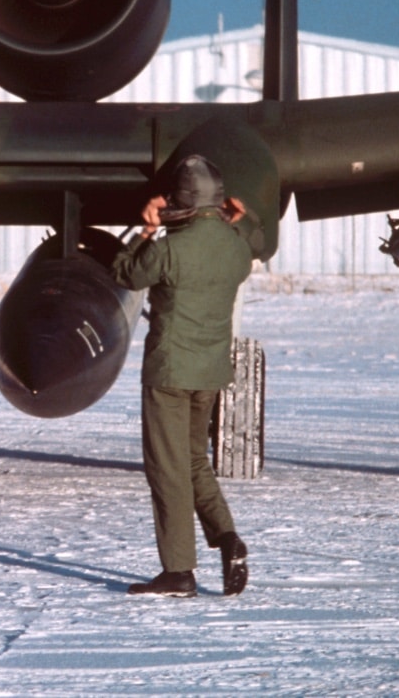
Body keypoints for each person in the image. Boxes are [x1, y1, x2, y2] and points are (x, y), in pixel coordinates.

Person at [111, 155, 255, 598]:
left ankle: (178, 571)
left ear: (180, 200)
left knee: (167, 471)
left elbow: (126, 273)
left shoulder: (169, 248)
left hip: (169, 372)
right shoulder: (237, 247)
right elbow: (252, 237)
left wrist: (148, 228)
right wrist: (237, 220)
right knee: (193, 461)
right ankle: (227, 538)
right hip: (210, 373)